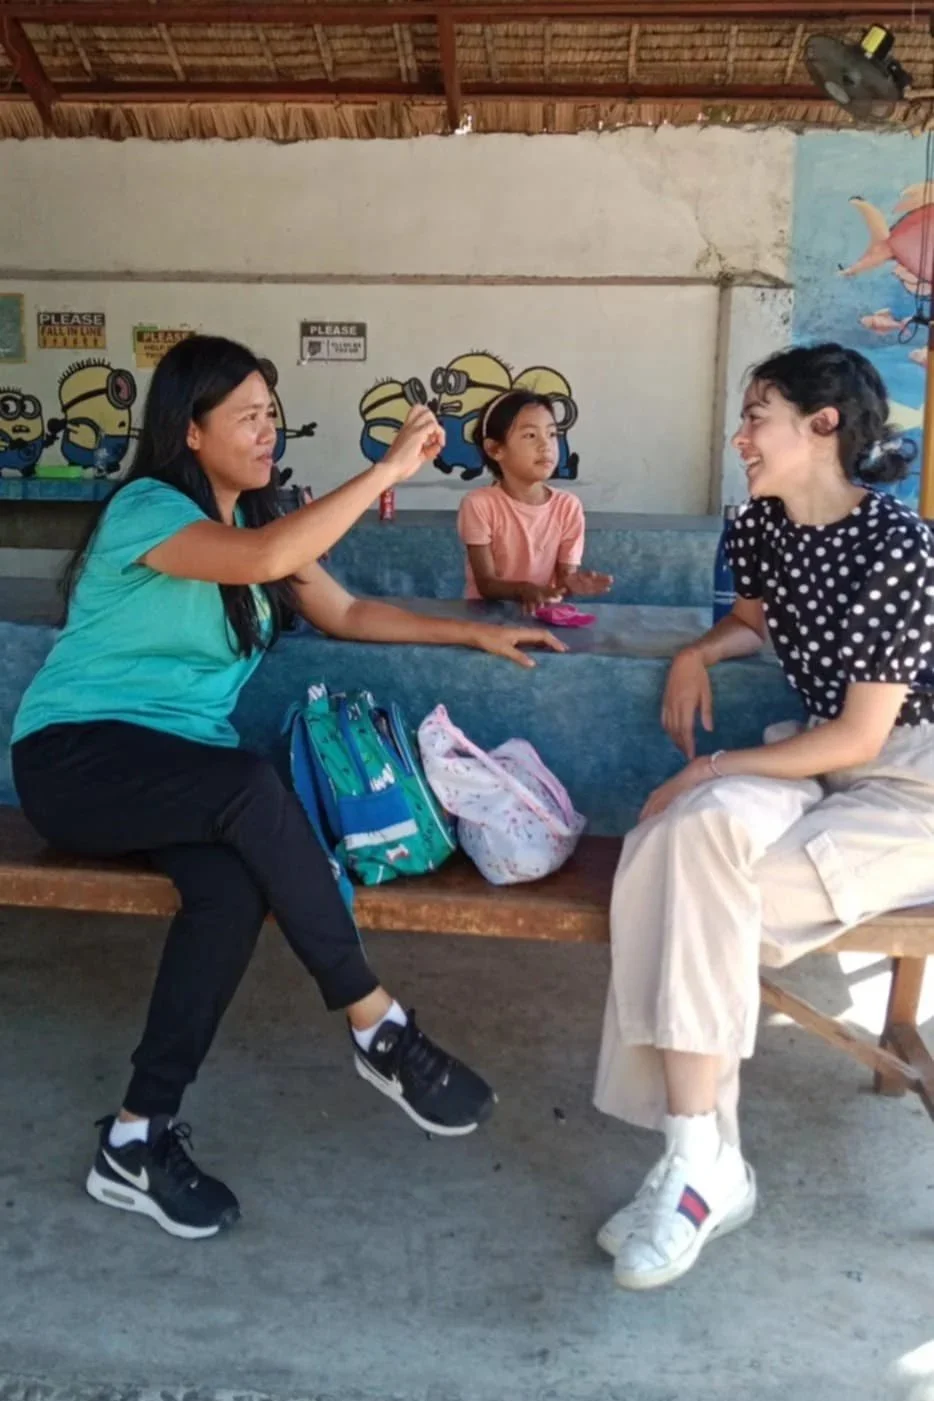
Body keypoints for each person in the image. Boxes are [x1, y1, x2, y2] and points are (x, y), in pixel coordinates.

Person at [10, 335, 564, 1242]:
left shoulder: (266, 521)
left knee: (228, 892)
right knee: (250, 787)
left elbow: (344, 609)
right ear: (190, 432)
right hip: (77, 760)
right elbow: (266, 558)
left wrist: (470, 637)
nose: (268, 430)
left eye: (273, 413)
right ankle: (378, 1026)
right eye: (247, 416)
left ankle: (137, 1137)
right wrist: (385, 465)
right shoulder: (148, 509)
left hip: (179, 776)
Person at [593, 342, 934, 1290]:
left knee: (695, 880)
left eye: (758, 414)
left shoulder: (899, 546)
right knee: (676, 841)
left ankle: (697, 1161)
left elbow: (867, 735)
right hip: (817, 749)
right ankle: (704, 1160)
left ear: (825, 425)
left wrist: (712, 764)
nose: (740, 436)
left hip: (912, 780)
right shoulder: (763, 524)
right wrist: (699, 652)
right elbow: (757, 619)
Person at [456, 390, 612, 611]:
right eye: (530, 435)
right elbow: (486, 584)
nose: (545, 445)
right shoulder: (479, 504)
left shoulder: (568, 506)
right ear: (495, 449)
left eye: (551, 434)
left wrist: (571, 584)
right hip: (486, 618)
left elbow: (564, 579)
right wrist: (524, 590)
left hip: (543, 615)